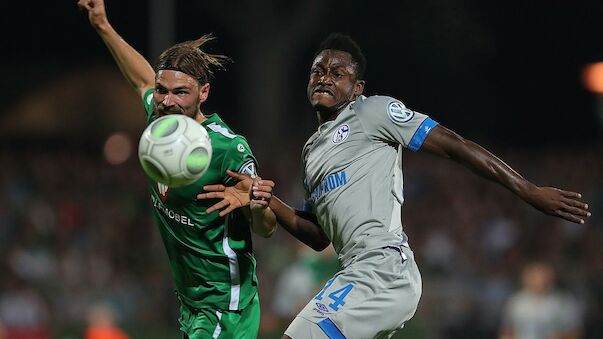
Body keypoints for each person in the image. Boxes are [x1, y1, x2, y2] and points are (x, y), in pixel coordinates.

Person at [199, 33, 591, 339]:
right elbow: (319, 237)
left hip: (383, 270)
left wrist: (527, 190)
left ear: (358, 87)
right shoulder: (311, 152)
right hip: (355, 273)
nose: (325, 78)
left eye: (338, 73)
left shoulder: (373, 112)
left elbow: (455, 146)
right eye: (318, 71)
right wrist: (269, 200)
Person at [77, 1, 277, 338]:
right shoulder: (162, 123)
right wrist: (102, 25)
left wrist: (256, 205)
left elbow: (267, 227)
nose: (168, 101)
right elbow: (140, 79)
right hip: (191, 304)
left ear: (204, 93)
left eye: (181, 92)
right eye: (163, 91)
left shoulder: (228, 147)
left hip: (224, 306)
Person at [499, 262, 582, 339]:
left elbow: (576, 333)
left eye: (543, 277)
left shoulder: (563, 301)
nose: (540, 281)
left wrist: (558, 337)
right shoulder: (516, 302)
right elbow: (507, 331)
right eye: (534, 277)